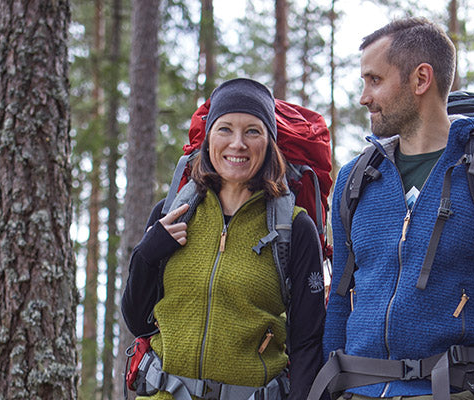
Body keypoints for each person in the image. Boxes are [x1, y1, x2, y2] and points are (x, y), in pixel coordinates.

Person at [320, 17, 474, 400]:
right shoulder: (355, 178)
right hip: (357, 390)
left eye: (374, 80)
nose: (364, 97)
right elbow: (342, 298)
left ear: (421, 79)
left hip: (454, 389)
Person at [122, 78, 326, 400]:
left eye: (253, 131)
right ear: (208, 139)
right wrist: (147, 254)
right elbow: (137, 320)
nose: (238, 144)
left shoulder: (294, 227)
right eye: (225, 129)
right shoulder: (172, 212)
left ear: (269, 142)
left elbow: (308, 341)